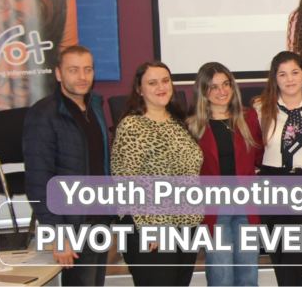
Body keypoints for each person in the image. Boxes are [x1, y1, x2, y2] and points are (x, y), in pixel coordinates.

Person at [22, 45, 110, 286]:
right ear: (58, 74)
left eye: (87, 69)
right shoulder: (43, 115)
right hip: (73, 223)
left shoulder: (94, 105)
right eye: (73, 70)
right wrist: (58, 234)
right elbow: (38, 182)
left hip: (99, 216)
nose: (82, 76)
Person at [112, 61, 204, 287]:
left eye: (165, 81)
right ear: (139, 90)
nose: (161, 87)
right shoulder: (132, 126)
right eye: (152, 83)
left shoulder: (177, 123)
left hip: (185, 227)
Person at [253, 51, 302, 286]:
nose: (290, 79)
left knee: (295, 253)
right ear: (274, 78)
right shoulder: (260, 108)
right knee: (281, 255)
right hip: (272, 182)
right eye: (283, 74)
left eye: (295, 72)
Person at [188, 62, 263, 287]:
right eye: (213, 87)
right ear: (203, 91)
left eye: (225, 84)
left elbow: (259, 156)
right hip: (214, 206)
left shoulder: (248, 117)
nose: (221, 91)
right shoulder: (192, 125)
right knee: (221, 275)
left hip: (245, 204)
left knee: (248, 275)